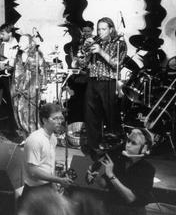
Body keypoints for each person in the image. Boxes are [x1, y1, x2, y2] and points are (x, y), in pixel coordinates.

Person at [83, 17, 127, 159]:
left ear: (111, 29)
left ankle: (115, 152)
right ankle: (94, 150)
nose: (100, 32)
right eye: (98, 29)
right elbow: (83, 63)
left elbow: (117, 64)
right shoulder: (96, 42)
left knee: (111, 117)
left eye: (103, 29)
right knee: (91, 117)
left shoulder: (119, 43)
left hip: (108, 81)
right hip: (93, 80)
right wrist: (83, 52)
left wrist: (101, 51)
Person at [86, 128, 156, 215]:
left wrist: (111, 175)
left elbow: (130, 198)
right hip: (111, 208)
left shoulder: (147, 169)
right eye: (128, 141)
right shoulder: (119, 161)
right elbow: (104, 184)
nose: (128, 145)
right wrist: (96, 177)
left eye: (133, 143)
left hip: (133, 211)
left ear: (144, 148)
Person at [22, 103, 73, 201]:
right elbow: (33, 171)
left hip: (47, 186)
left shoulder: (53, 138)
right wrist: (59, 180)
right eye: (55, 119)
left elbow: (49, 165)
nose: (59, 122)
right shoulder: (35, 140)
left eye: (61, 118)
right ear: (44, 120)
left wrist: (53, 185)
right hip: (34, 191)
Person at [12, 34, 47, 135]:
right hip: (19, 87)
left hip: (32, 86)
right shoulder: (18, 55)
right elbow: (17, 71)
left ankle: (35, 136)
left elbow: (43, 69)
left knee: (31, 113)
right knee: (20, 112)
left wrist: (43, 85)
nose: (19, 44)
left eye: (22, 41)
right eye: (19, 41)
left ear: (29, 43)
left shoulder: (37, 54)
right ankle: (26, 136)